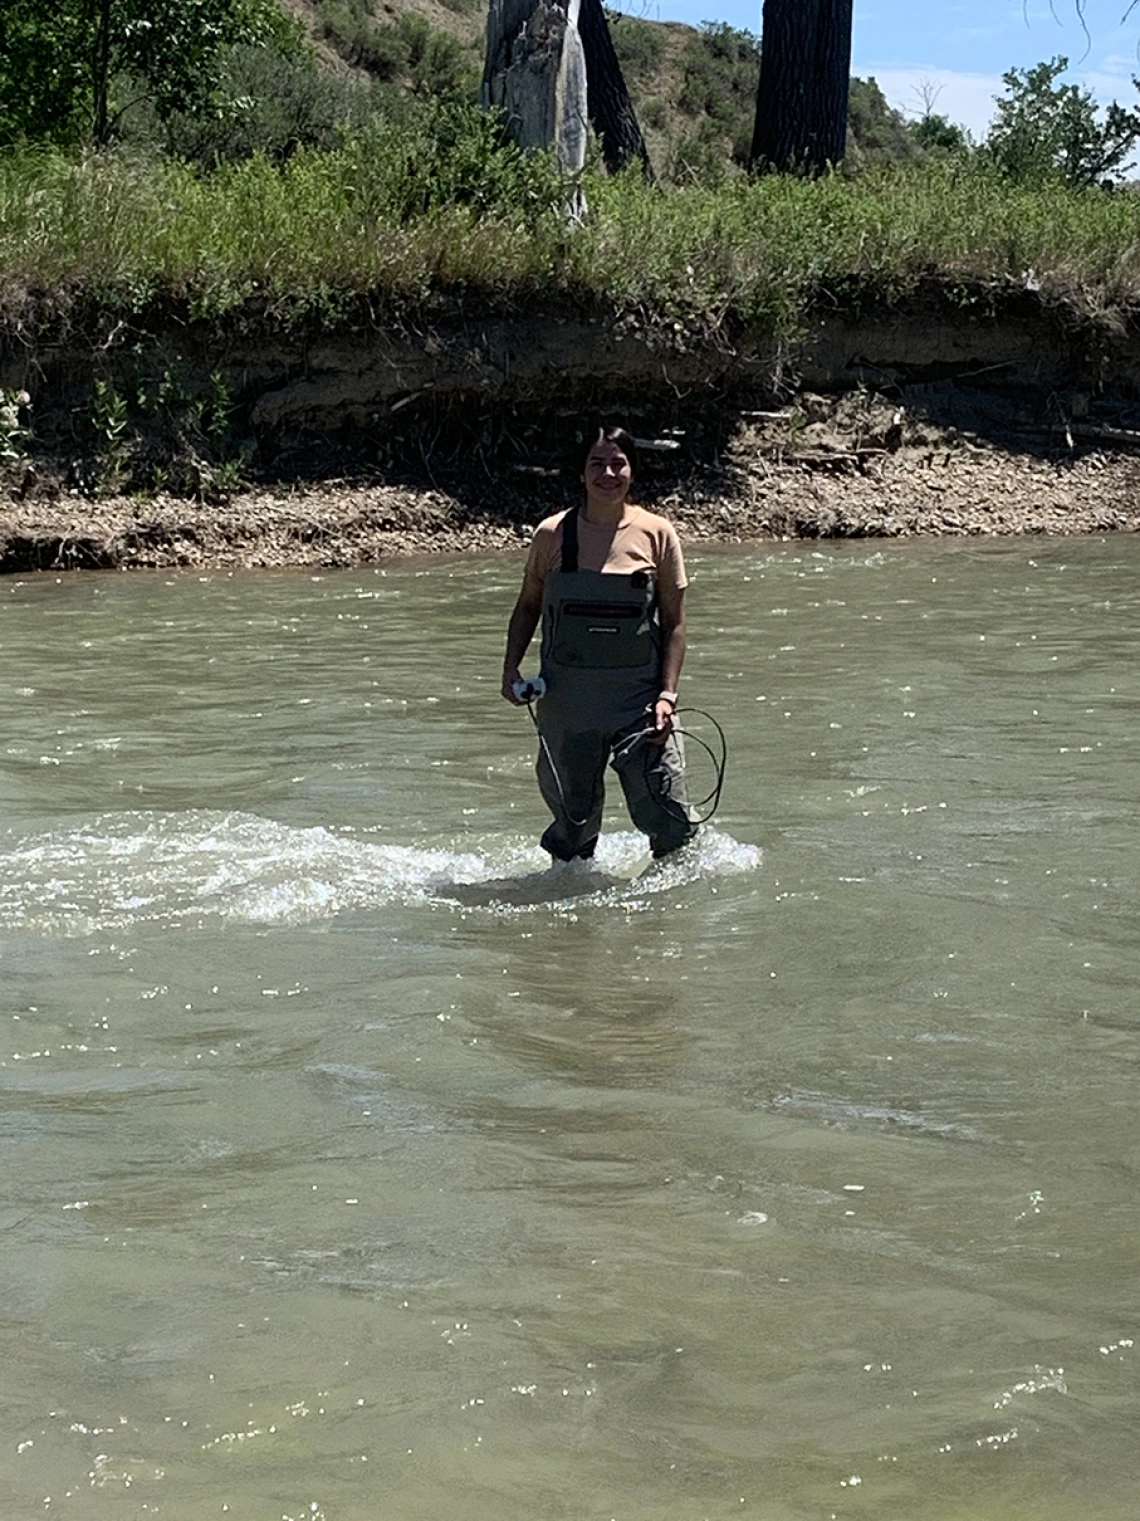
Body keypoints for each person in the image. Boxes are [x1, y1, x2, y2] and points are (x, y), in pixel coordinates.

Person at [501, 426, 698, 863]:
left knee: (669, 818)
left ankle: (668, 918)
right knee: (572, 825)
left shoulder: (658, 533)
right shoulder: (551, 534)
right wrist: (510, 670)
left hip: (641, 703)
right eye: (596, 463)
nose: (608, 473)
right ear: (581, 473)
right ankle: (570, 903)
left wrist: (667, 694)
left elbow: (676, 624)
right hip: (568, 704)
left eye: (618, 463)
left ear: (632, 470)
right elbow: (527, 605)